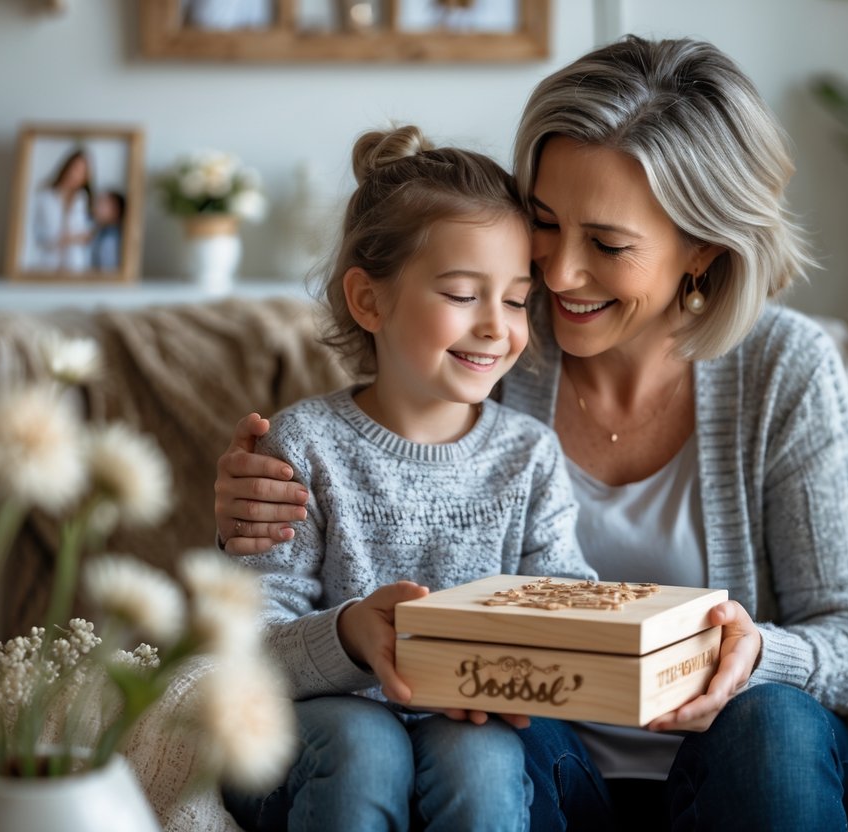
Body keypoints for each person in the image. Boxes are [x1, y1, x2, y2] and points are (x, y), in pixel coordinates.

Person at [215, 36, 848, 831]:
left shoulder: (784, 370)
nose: (559, 276)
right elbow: (349, 454)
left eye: (606, 244)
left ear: (701, 251)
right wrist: (255, 500)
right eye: (544, 223)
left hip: (726, 757)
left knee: (776, 725)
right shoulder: (488, 333)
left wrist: (750, 655)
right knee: (476, 744)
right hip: (547, 758)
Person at [219, 125, 597, 832]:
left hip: (482, 726)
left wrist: (513, 660)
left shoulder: (529, 455)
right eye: (461, 293)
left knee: (476, 753)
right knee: (366, 745)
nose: (496, 326)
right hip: (324, 740)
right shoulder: (301, 445)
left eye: (516, 300)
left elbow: (566, 600)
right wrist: (350, 639)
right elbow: (247, 644)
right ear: (368, 301)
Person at [25, 148, 94, 273]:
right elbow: (36, 233)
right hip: (46, 263)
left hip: (75, 266)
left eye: (82, 171)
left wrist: (72, 238)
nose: (76, 174)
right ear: (66, 167)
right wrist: (64, 239)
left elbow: (87, 234)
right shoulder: (44, 196)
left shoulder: (83, 199)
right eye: (75, 168)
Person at [90, 190, 125, 271]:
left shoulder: (110, 238)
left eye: (102, 204)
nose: (95, 208)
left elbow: (108, 271)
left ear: (115, 210)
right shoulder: (99, 232)